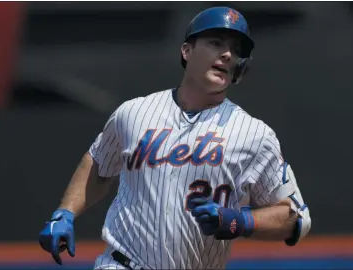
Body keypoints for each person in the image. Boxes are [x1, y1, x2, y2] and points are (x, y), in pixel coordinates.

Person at [38, 6, 312, 270]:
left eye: (235, 50)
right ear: (187, 51)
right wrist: (65, 213)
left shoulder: (255, 135)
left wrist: (240, 221)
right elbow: (99, 165)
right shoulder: (134, 112)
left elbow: (296, 218)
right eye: (216, 42)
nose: (227, 54)